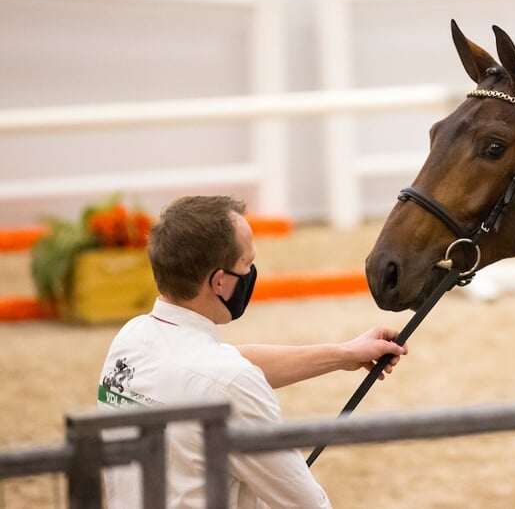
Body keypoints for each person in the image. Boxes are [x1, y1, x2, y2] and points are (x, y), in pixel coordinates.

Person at [97, 195, 407, 508]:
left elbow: (223, 364)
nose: (250, 273)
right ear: (220, 282)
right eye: (246, 263)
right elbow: (306, 504)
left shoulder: (132, 338)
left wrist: (343, 353)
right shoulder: (229, 381)